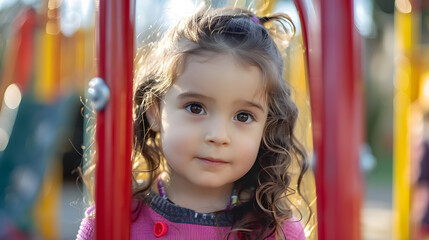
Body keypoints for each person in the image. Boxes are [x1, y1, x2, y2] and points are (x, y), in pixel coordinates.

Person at [77, 6, 309, 240]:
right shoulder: (113, 223)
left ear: (266, 127)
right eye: (196, 108)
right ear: (154, 111)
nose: (218, 136)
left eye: (243, 116)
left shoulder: (278, 232)